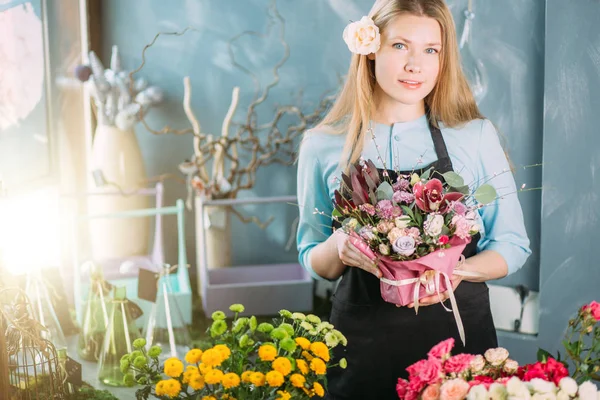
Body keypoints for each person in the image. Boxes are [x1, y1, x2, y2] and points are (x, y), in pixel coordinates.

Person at [295, 0, 532, 399]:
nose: (415, 65)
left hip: (458, 345)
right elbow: (311, 257)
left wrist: (455, 272)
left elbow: (512, 246)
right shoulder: (322, 145)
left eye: (430, 50)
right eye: (400, 46)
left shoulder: (473, 136)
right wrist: (338, 245)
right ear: (370, 51)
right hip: (363, 344)